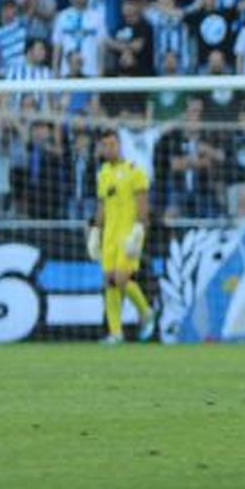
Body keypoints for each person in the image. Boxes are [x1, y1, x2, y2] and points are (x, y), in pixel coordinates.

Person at [88, 126, 154, 345]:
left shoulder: (135, 170)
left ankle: (146, 312)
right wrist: (96, 231)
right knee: (109, 282)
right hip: (109, 236)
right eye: (105, 145)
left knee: (121, 278)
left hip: (129, 234)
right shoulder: (103, 173)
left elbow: (143, 203)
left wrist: (139, 229)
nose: (109, 149)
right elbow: (101, 206)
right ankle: (116, 333)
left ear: (120, 145)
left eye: (112, 144)